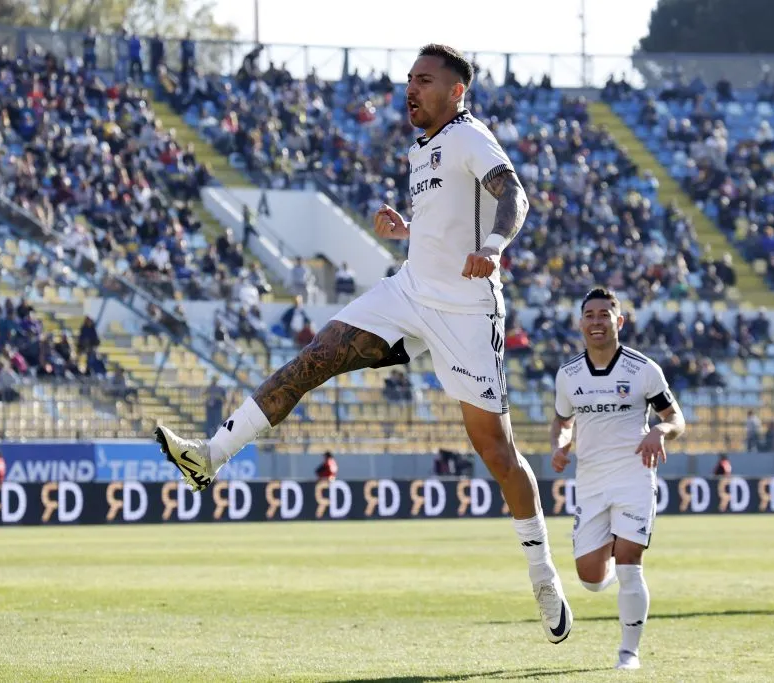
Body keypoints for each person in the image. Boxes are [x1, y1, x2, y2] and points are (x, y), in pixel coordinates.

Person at [155, 44, 572, 643]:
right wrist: (411, 230)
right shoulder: (422, 149)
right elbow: (449, 220)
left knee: (498, 455)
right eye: (409, 79)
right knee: (315, 356)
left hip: (466, 310)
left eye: (425, 80)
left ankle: (542, 575)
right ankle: (209, 457)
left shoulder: (469, 136)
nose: (412, 88)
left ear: (457, 91)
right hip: (408, 293)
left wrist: (495, 246)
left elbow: (514, 196)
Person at [550, 288, 686, 671]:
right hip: (591, 482)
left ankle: (629, 653)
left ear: (618, 321)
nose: (596, 321)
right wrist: (560, 445)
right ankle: (609, 552)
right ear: (580, 323)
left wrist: (660, 432)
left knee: (630, 563)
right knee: (590, 579)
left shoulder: (643, 369)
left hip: (634, 477)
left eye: (604, 315)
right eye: (589, 315)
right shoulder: (569, 374)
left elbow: (676, 418)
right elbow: (562, 420)